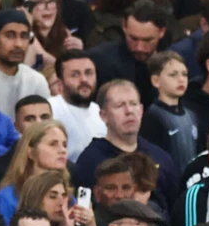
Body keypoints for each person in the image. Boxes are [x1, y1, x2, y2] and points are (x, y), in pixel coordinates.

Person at [73, 79, 178, 207]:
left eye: (133, 104)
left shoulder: (161, 157)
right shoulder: (91, 160)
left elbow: (174, 208)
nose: (129, 111)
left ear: (141, 110)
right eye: (119, 106)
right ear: (103, 115)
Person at [0, 120, 70, 224]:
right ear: (31, 152)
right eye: (53, 144)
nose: (63, 150)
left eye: (65, 145)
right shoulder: (7, 198)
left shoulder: (67, 196)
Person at [142, 50, 199, 172]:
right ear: (156, 81)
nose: (181, 79)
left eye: (184, 74)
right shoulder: (152, 117)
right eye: (173, 75)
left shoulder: (192, 115)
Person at [49, 50, 104, 159]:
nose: (84, 80)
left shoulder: (101, 112)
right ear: (60, 83)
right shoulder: (50, 109)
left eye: (89, 73)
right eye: (75, 75)